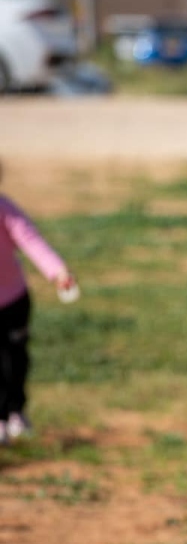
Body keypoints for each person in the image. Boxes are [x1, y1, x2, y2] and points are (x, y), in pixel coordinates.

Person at [0, 165, 76, 445]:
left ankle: (15, 411)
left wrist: (58, 272)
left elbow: (30, 240)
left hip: (13, 300)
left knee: (15, 359)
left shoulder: (4, 209)